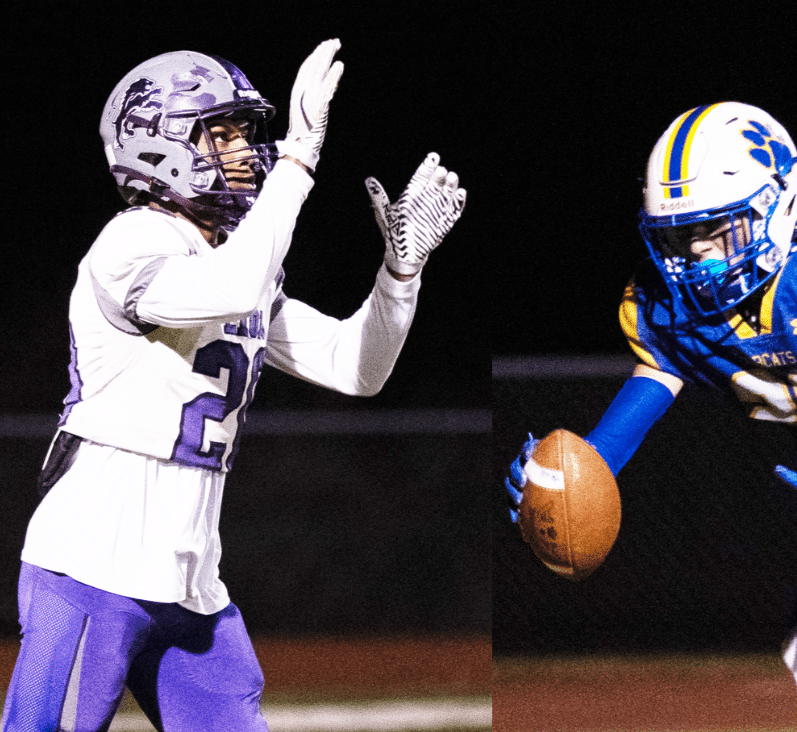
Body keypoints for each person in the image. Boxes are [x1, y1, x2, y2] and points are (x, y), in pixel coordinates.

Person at [2, 40, 465, 730]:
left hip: (190, 581)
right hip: (93, 562)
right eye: (221, 133)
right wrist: (299, 160)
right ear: (158, 146)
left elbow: (355, 368)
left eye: (248, 133)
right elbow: (233, 284)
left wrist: (398, 277)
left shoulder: (231, 260)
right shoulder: (131, 243)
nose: (248, 150)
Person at [506, 102, 797, 731]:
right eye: (679, 237)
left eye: (716, 230)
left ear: (778, 205)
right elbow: (616, 439)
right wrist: (561, 477)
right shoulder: (671, 314)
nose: (697, 258)